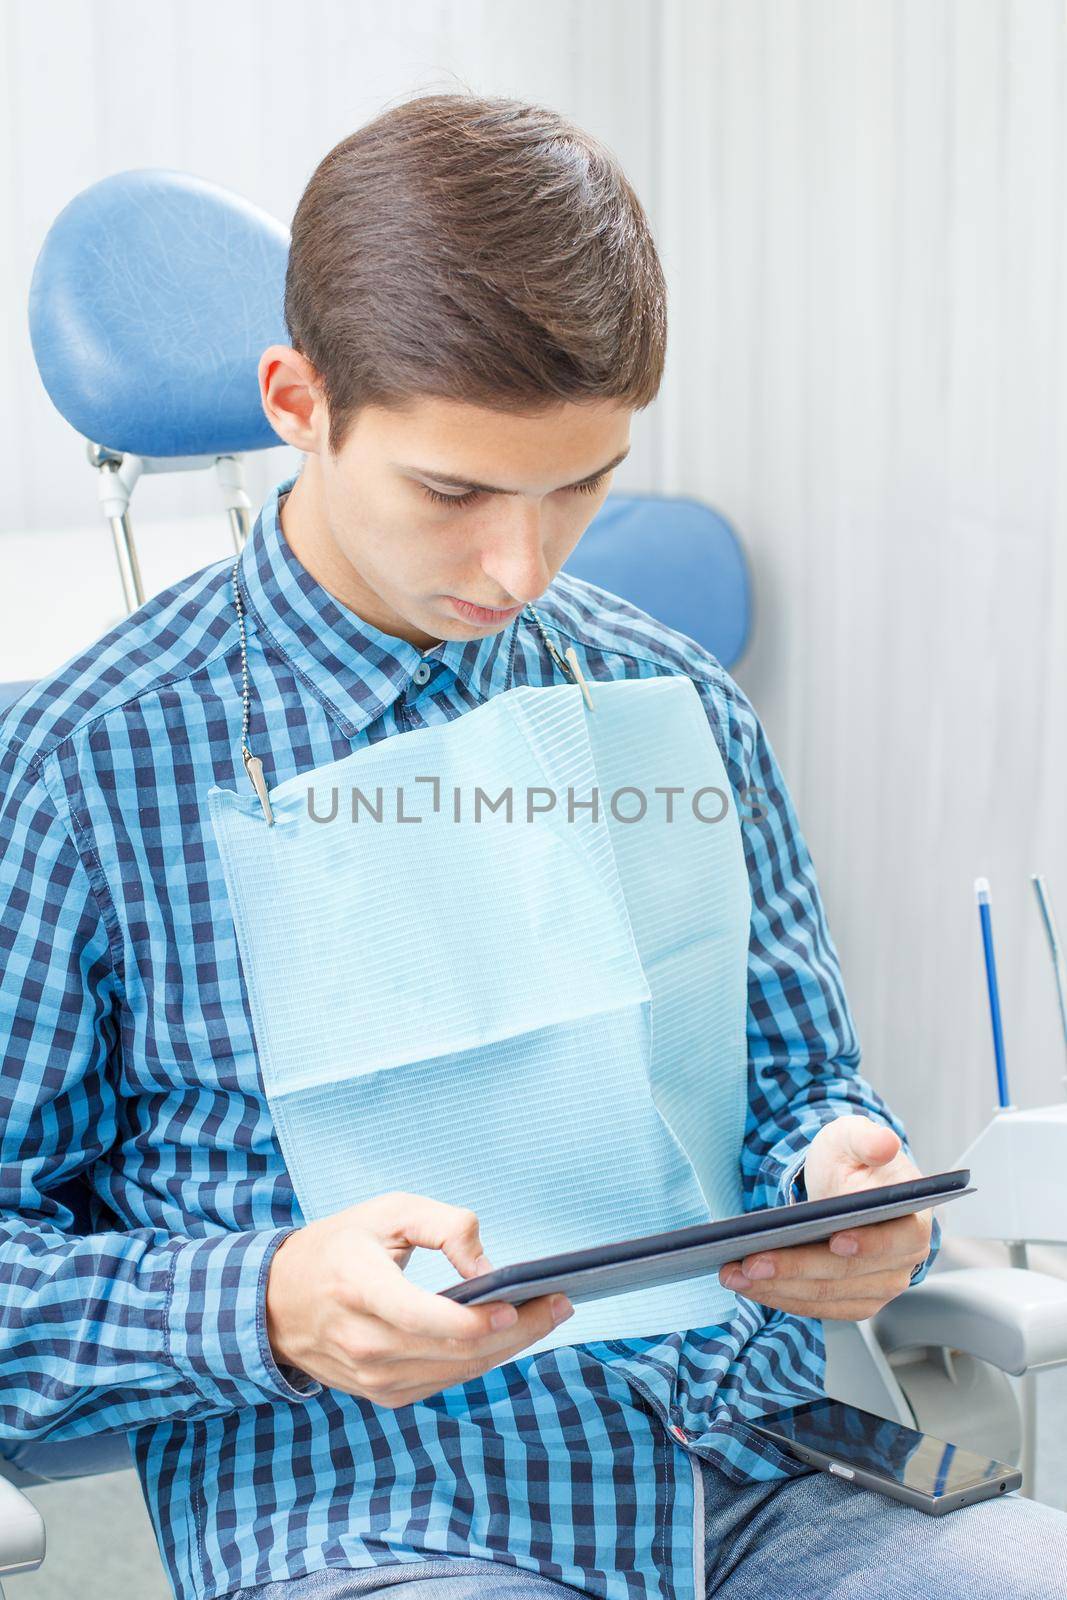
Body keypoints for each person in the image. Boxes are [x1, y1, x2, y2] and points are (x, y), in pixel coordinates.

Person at [1, 92, 1064, 1600]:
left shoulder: (671, 702)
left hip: (745, 1470)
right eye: (455, 492)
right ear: (298, 402)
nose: (521, 565)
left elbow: (797, 1090)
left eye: (583, 485)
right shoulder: (85, 767)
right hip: (365, 1509)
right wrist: (269, 1308)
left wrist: (837, 1187)